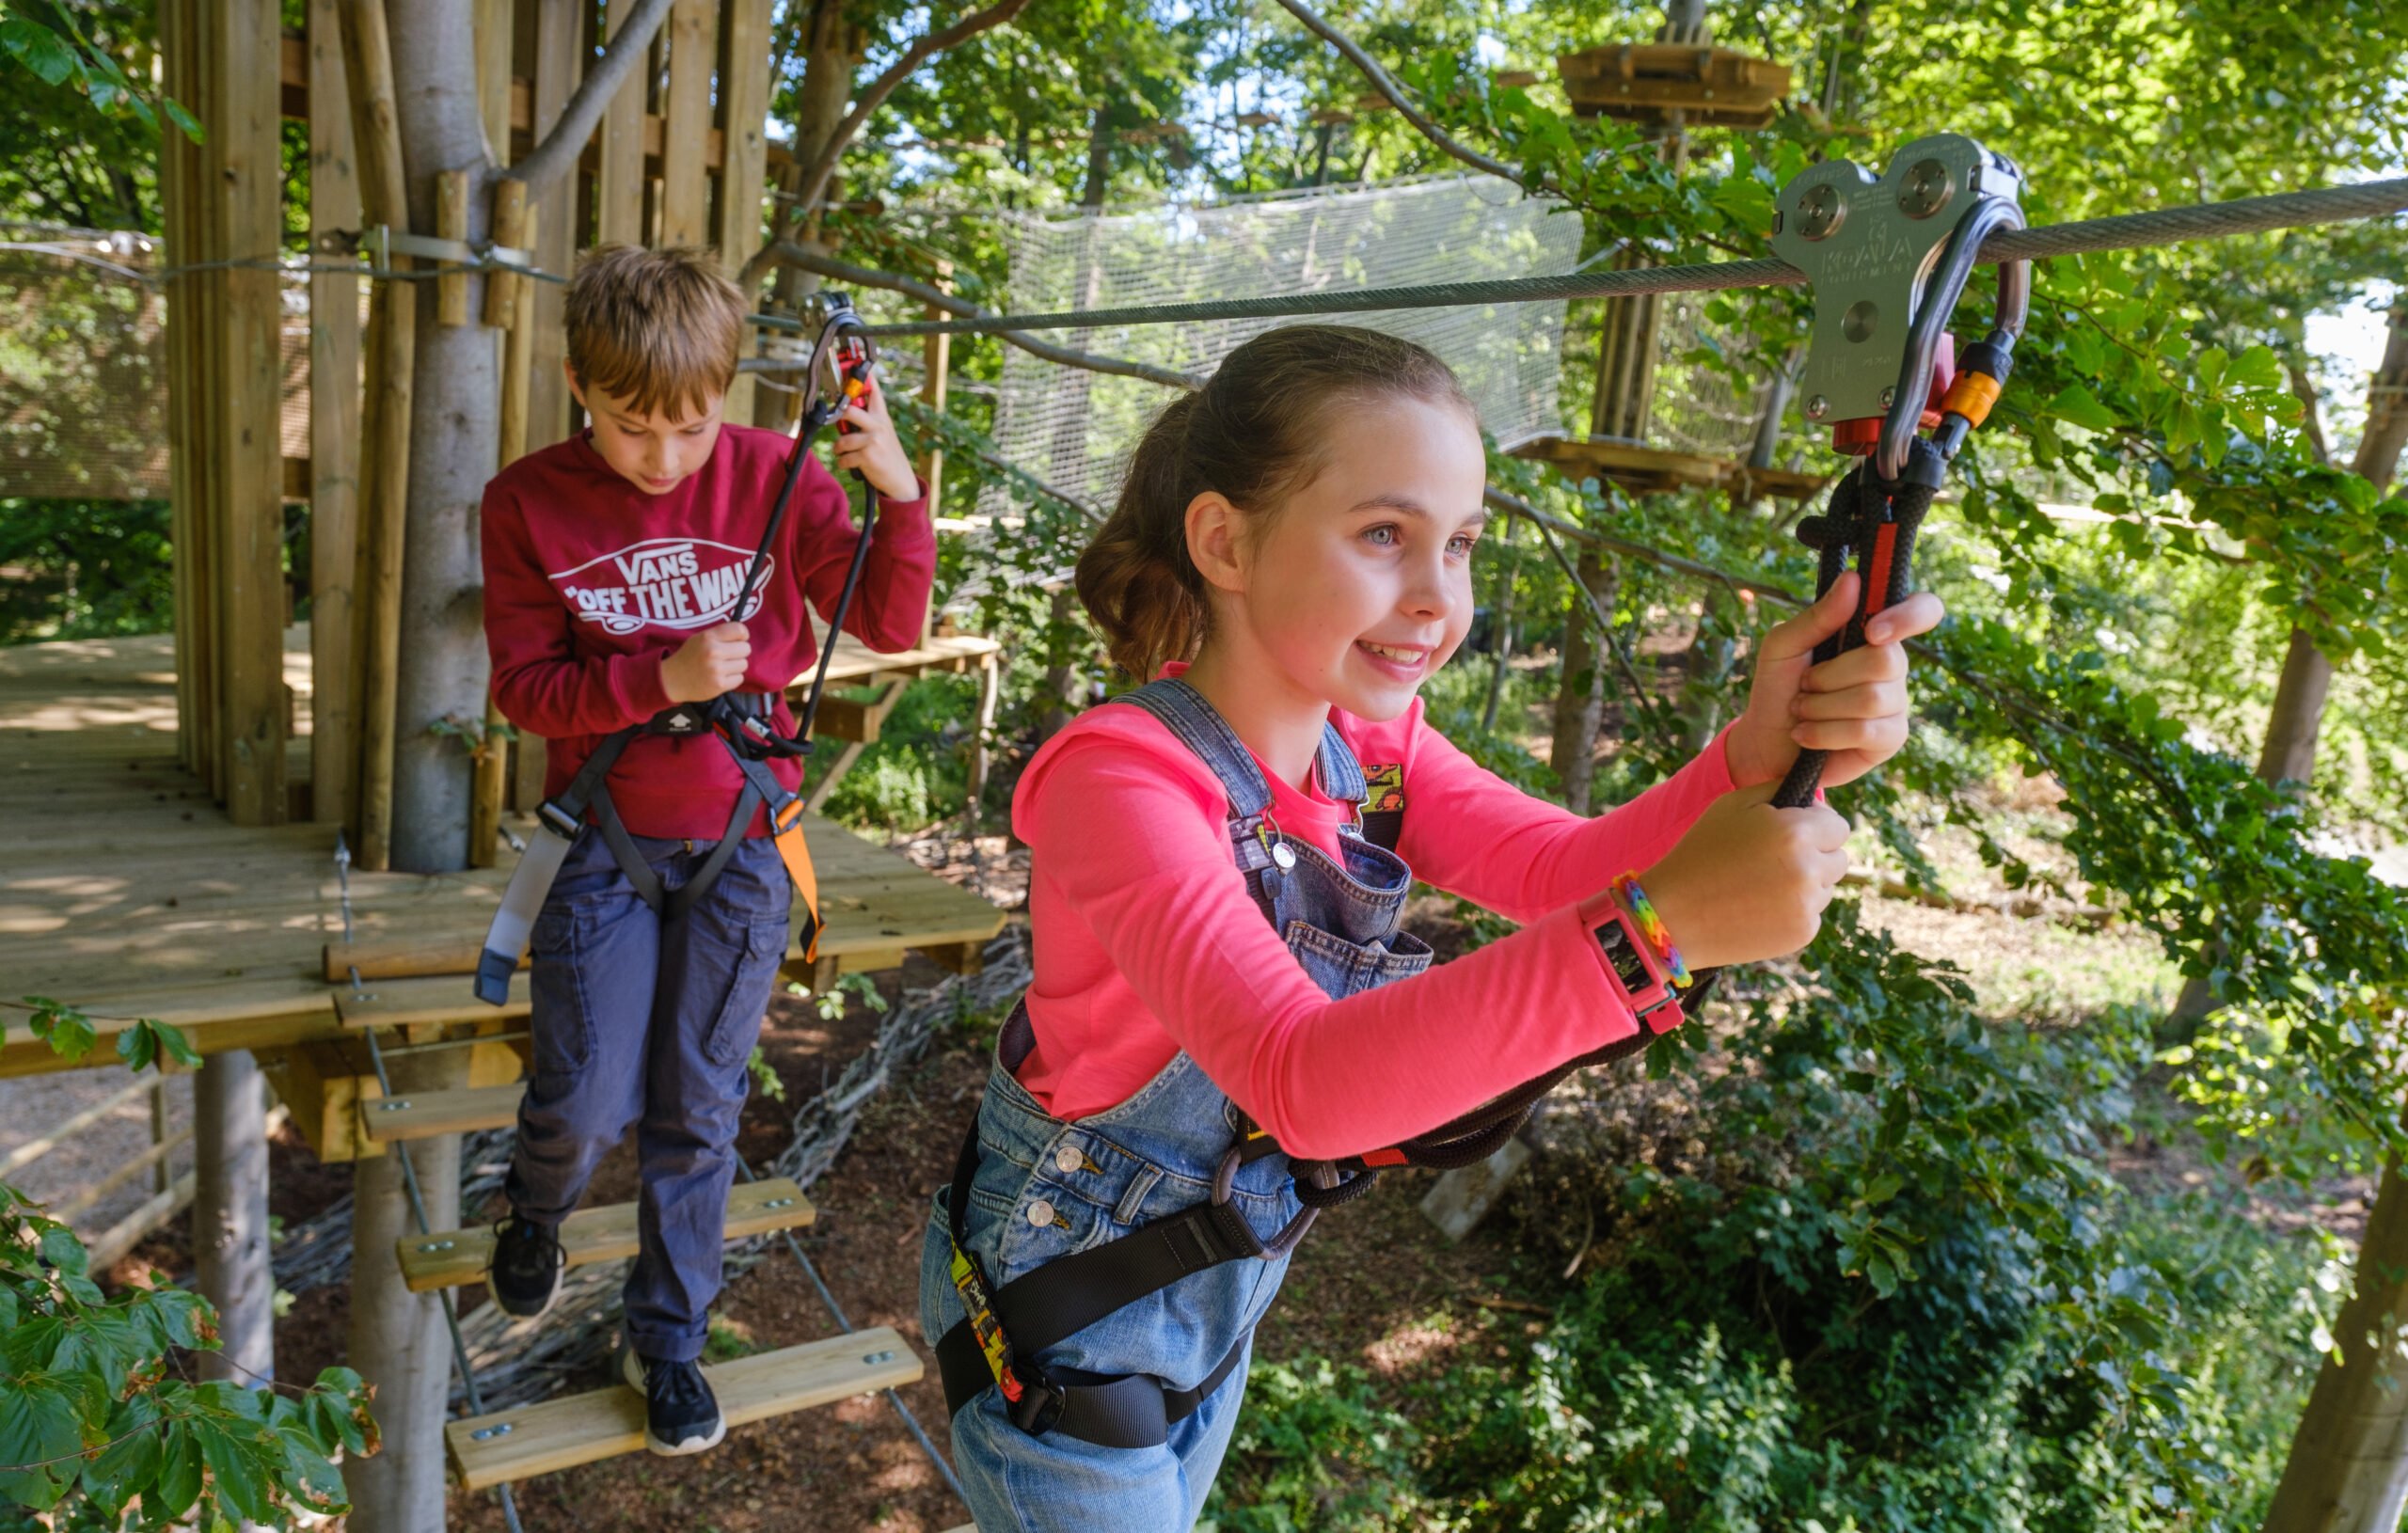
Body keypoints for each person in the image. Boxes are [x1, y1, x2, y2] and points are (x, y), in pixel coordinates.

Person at [918, 324, 1942, 1529]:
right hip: (1061, 1334)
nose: (1435, 599)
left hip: (1194, 1311)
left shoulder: (1372, 750)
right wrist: (1646, 940)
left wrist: (1749, 760)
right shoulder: (1122, 785)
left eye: (1457, 545)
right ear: (1223, 541)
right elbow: (1302, 1078)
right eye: (1382, 536)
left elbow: (1568, 866)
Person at [479, 245, 934, 1456]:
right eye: (632, 428)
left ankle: (668, 1340)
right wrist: (657, 677)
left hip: (741, 832)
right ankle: (532, 1206)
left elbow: (887, 619)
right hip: (609, 829)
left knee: (701, 1105)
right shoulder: (528, 500)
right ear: (580, 382)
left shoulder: (779, 480)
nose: (666, 459)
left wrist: (896, 490)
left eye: (690, 427)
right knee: (581, 1096)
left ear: (728, 390)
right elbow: (525, 689)